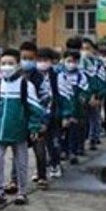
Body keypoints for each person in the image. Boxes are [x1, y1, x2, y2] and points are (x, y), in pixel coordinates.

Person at [0, 49, 43, 207]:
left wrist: (33, 128)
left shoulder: (26, 86)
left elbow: (35, 109)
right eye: (3, 63)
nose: (6, 66)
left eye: (10, 63)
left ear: (18, 65)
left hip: (19, 132)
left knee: (22, 163)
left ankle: (22, 192)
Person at [17, 42, 51, 190]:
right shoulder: (15, 76)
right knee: (17, 151)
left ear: (35, 58)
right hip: (19, 120)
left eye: (30, 58)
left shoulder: (40, 78)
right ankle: (14, 179)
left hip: (36, 119)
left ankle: (42, 176)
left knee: (39, 149)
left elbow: (46, 100)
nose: (27, 61)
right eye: (24, 57)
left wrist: (43, 121)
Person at [37, 47, 69, 179]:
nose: (42, 63)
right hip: (38, 116)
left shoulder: (57, 77)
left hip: (55, 116)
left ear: (51, 61)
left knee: (54, 143)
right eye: (39, 60)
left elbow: (65, 96)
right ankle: (41, 168)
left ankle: (55, 164)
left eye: (45, 60)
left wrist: (66, 115)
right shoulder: (33, 76)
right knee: (39, 145)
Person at [60, 50, 90, 164]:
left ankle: (73, 151)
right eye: (68, 61)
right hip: (62, 108)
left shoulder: (80, 76)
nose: (71, 63)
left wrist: (84, 96)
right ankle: (63, 150)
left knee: (74, 131)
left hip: (77, 108)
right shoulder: (59, 75)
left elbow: (86, 89)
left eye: (73, 61)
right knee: (63, 131)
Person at [80, 38, 106, 151]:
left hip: (95, 96)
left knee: (94, 117)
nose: (85, 51)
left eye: (87, 48)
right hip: (82, 96)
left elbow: (103, 80)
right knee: (82, 120)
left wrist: (97, 95)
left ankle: (93, 138)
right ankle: (80, 143)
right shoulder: (78, 62)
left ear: (93, 49)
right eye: (82, 49)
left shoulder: (99, 64)